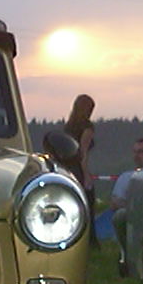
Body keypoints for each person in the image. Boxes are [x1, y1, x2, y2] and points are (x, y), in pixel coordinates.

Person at [111, 135, 143, 265]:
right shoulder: (126, 177)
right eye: (135, 152)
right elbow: (115, 202)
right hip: (133, 214)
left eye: (141, 152)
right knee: (120, 216)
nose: (137, 156)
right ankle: (127, 255)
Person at [60, 94, 97, 235]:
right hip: (78, 169)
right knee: (87, 204)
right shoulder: (87, 127)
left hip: (67, 168)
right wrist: (86, 175)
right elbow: (83, 152)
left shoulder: (68, 126)